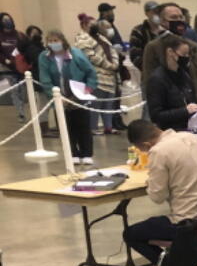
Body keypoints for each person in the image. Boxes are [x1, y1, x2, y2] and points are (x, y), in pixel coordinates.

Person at [121, 118, 197, 266]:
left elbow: (158, 196)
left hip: (187, 224)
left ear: (146, 144)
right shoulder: (191, 137)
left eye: (142, 150)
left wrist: (151, 181)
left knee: (131, 234)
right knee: (153, 223)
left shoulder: (159, 151)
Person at [141, 2, 197, 125]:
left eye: (181, 17)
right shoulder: (153, 47)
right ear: (162, 22)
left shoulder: (194, 46)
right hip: (172, 119)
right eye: (173, 18)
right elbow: (150, 86)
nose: (179, 21)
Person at [38, 29, 97, 164]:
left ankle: (87, 153)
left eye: (56, 40)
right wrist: (55, 96)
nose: (53, 43)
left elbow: (90, 72)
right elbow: (45, 79)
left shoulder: (75, 54)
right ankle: (73, 153)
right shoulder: (44, 57)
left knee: (83, 126)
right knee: (66, 127)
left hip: (78, 96)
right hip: (59, 97)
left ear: (62, 41)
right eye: (50, 41)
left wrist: (88, 89)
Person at [146, 34, 197, 134]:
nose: (187, 58)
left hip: (190, 131)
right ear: (170, 52)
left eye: (188, 55)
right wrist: (184, 111)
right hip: (170, 133)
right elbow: (156, 116)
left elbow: (191, 101)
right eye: (184, 54)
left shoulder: (185, 75)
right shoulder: (157, 79)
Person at [76, 18, 121, 135]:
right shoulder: (82, 38)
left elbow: (113, 51)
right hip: (96, 75)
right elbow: (89, 55)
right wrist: (108, 65)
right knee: (95, 104)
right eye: (92, 24)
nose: (95, 26)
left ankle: (108, 127)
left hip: (110, 76)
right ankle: (93, 127)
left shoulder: (102, 37)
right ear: (85, 25)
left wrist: (115, 64)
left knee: (108, 103)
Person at [0, 12, 30, 121]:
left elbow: (27, 47)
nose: (7, 21)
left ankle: (23, 108)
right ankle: (21, 113)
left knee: (22, 90)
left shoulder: (19, 35)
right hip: (7, 68)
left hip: (21, 67)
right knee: (15, 90)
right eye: (4, 20)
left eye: (8, 19)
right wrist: (5, 60)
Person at [129, 0, 162, 72]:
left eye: (158, 11)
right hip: (147, 72)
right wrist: (148, 69)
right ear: (147, 13)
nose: (157, 14)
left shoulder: (164, 30)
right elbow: (134, 55)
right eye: (154, 11)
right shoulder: (138, 31)